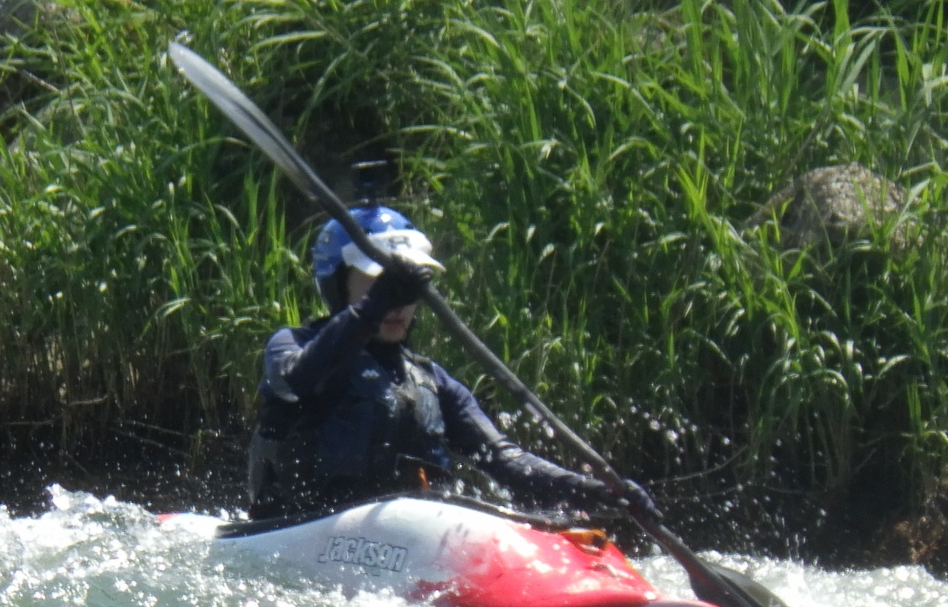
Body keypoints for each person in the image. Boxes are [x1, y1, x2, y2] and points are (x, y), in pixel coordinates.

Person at [247, 205, 654, 521]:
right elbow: (298, 379)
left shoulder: (432, 381)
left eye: (403, 289)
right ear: (338, 286)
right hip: (299, 531)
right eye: (378, 283)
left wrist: (596, 492)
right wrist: (372, 307)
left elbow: (504, 460)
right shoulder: (292, 346)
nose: (398, 304)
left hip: (407, 540)